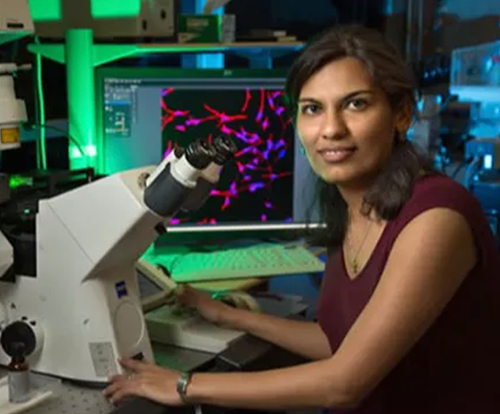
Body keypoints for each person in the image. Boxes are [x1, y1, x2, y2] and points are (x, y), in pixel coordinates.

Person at [104, 25, 500, 413]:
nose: (331, 129)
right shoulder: (352, 208)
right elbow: (338, 342)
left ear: (401, 115)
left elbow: (343, 384)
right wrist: (227, 314)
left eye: (356, 104)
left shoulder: (436, 219)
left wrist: (182, 385)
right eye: (312, 109)